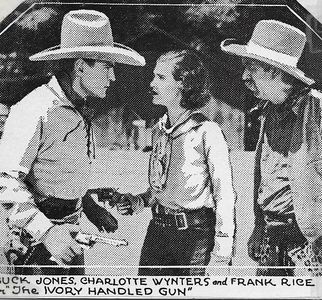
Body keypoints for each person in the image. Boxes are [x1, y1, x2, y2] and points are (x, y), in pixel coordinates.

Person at [0, 9, 145, 275]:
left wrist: (89, 207)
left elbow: (58, 177)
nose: (113, 77)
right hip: (33, 243)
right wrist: (48, 233)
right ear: (80, 67)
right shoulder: (35, 109)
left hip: (69, 235)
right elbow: (5, 181)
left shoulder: (80, 108)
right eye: (107, 67)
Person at [106, 50, 236, 276]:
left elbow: (224, 194)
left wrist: (223, 250)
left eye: (161, 77)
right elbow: (159, 189)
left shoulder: (207, 132)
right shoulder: (159, 130)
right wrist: (137, 201)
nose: (152, 83)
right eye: (154, 76)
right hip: (157, 233)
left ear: (183, 84)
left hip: (195, 237)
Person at [221, 19, 322, 276]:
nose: (244, 76)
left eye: (250, 67)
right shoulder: (269, 111)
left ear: (275, 72)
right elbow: (263, 174)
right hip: (272, 230)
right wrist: (258, 225)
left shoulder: (317, 110)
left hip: (311, 237)